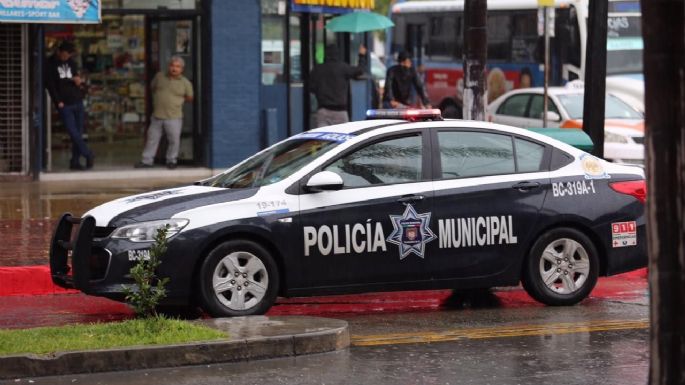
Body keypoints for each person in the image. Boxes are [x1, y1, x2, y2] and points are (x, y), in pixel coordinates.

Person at [135, 56, 193, 169]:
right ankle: (147, 161)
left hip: (174, 116)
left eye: (177, 67)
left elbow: (190, 98)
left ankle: (171, 160)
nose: (174, 68)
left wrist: (176, 102)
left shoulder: (185, 83)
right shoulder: (159, 77)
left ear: (182, 69)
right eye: (172, 65)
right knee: (152, 139)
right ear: (169, 66)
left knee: (174, 140)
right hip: (157, 116)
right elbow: (152, 88)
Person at [45, 41, 94, 171]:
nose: (67, 57)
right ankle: (87, 153)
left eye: (69, 55)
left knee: (79, 132)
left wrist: (78, 81)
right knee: (73, 132)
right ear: (60, 52)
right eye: (66, 54)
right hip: (64, 103)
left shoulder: (71, 63)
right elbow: (51, 85)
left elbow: (76, 77)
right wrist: (58, 101)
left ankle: (75, 161)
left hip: (76, 99)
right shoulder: (50, 64)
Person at [309, 44, 368, 127]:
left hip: (323, 111)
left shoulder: (318, 69)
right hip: (340, 112)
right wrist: (361, 55)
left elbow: (311, 87)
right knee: (342, 137)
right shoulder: (343, 67)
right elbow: (360, 70)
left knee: (323, 138)